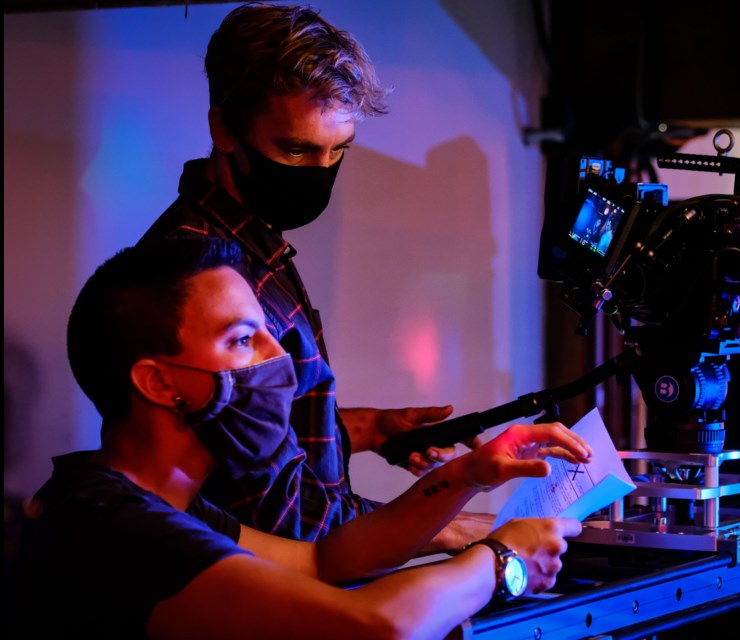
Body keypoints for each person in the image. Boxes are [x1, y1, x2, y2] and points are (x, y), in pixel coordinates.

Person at [12, 237, 590, 639]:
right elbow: (372, 627)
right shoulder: (109, 523)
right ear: (160, 382)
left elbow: (325, 559)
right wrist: (502, 560)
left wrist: (467, 474)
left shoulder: (166, 506)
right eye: (243, 340)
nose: (276, 357)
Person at [140, 2, 489, 551]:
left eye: (337, 152)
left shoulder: (253, 244)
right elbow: (285, 522)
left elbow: (253, 441)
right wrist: (452, 516)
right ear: (223, 129)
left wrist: (371, 429)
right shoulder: (208, 277)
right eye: (296, 150)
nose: (319, 174)